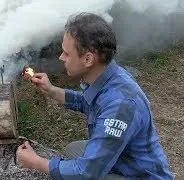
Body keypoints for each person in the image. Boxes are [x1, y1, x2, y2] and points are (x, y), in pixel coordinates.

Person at [16, 12, 174, 180]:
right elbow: (86, 102)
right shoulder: (108, 75)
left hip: (139, 175)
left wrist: (37, 162)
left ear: (88, 59)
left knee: (79, 170)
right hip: (123, 161)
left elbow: (87, 172)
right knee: (74, 149)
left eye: (67, 53)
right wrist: (51, 89)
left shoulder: (120, 105)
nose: (61, 57)